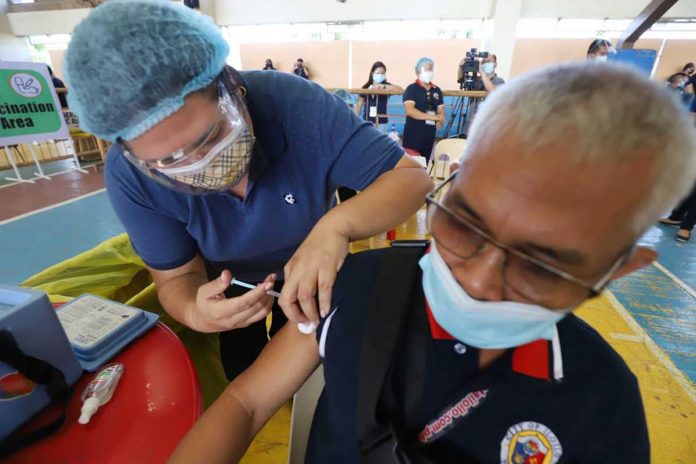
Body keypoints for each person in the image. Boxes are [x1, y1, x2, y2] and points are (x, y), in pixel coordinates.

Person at [169, 63, 696, 463]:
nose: (478, 279)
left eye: (543, 266)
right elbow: (246, 404)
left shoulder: (601, 404)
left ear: (614, 269)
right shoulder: (358, 287)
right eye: (465, 223)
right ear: (451, 184)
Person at [63, 0, 432, 380]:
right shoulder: (130, 176)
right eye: (171, 161)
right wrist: (195, 310)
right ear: (133, 155)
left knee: (322, 361)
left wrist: (337, 226)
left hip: (313, 262)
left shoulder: (297, 107)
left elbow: (411, 178)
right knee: (245, 365)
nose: (204, 164)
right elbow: (175, 278)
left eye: (214, 136)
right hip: (227, 281)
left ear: (233, 88)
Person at [402, 57, 445, 163]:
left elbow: (441, 109)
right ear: (417, 72)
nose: (429, 72)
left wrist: (441, 118)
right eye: (426, 69)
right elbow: (410, 111)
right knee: (411, 165)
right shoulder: (411, 89)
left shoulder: (437, 90)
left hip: (429, 135)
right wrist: (434, 117)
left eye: (431, 69)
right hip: (413, 135)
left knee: (424, 164)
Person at [355, 61, 402, 133]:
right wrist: (355, 121)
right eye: (377, 73)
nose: (380, 75)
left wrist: (384, 86)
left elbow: (400, 89)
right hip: (367, 122)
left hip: (382, 123)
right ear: (372, 73)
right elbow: (359, 105)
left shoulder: (386, 87)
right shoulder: (365, 87)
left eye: (382, 73)